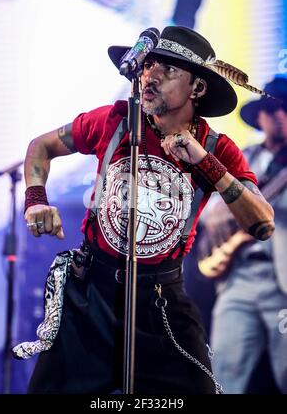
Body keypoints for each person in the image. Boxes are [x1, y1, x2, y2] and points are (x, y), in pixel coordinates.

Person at [16, 26, 274, 394]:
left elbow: (263, 223)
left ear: (197, 88)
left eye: (168, 70)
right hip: (90, 295)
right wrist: (36, 199)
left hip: (161, 302)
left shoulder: (216, 147)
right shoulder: (114, 121)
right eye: (149, 65)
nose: (151, 75)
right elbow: (40, 146)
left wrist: (206, 163)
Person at [200, 76, 287, 394]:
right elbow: (212, 211)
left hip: (283, 280)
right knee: (223, 372)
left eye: (286, 110)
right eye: (272, 110)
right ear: (260, 116)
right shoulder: (244, 157)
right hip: (237, 278)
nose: (279, 116)